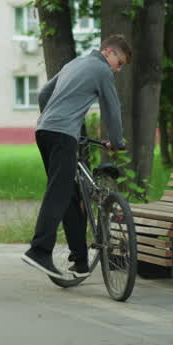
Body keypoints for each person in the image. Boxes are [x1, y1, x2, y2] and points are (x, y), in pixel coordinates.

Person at [23, 35, 131, 280]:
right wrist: (116, 143)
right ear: (108, 52)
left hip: (44, 131)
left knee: (70, 195)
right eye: (120, 63)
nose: (118, 69)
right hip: (62, 135)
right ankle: (39, 251)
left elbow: (44, 94)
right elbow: (112, 110)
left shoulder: (74, 64)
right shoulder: (102, 70)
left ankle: (80, 260)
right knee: (59, 192)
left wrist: (54, 117)